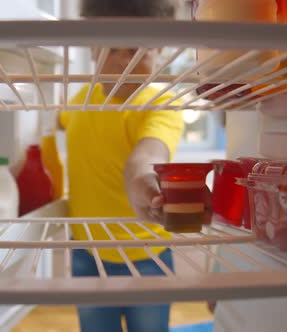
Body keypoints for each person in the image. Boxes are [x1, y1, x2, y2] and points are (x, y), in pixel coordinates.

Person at [58, 1, 185, 331]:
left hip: (147, 256)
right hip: (88, 254)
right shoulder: (79, 102)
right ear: (92, 48)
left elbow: (148, 154)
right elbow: (64, 124)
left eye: (136, 49)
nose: (124, 60)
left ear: (159, 48)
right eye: (114, 47)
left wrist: (142, 177)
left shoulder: (162, 105)